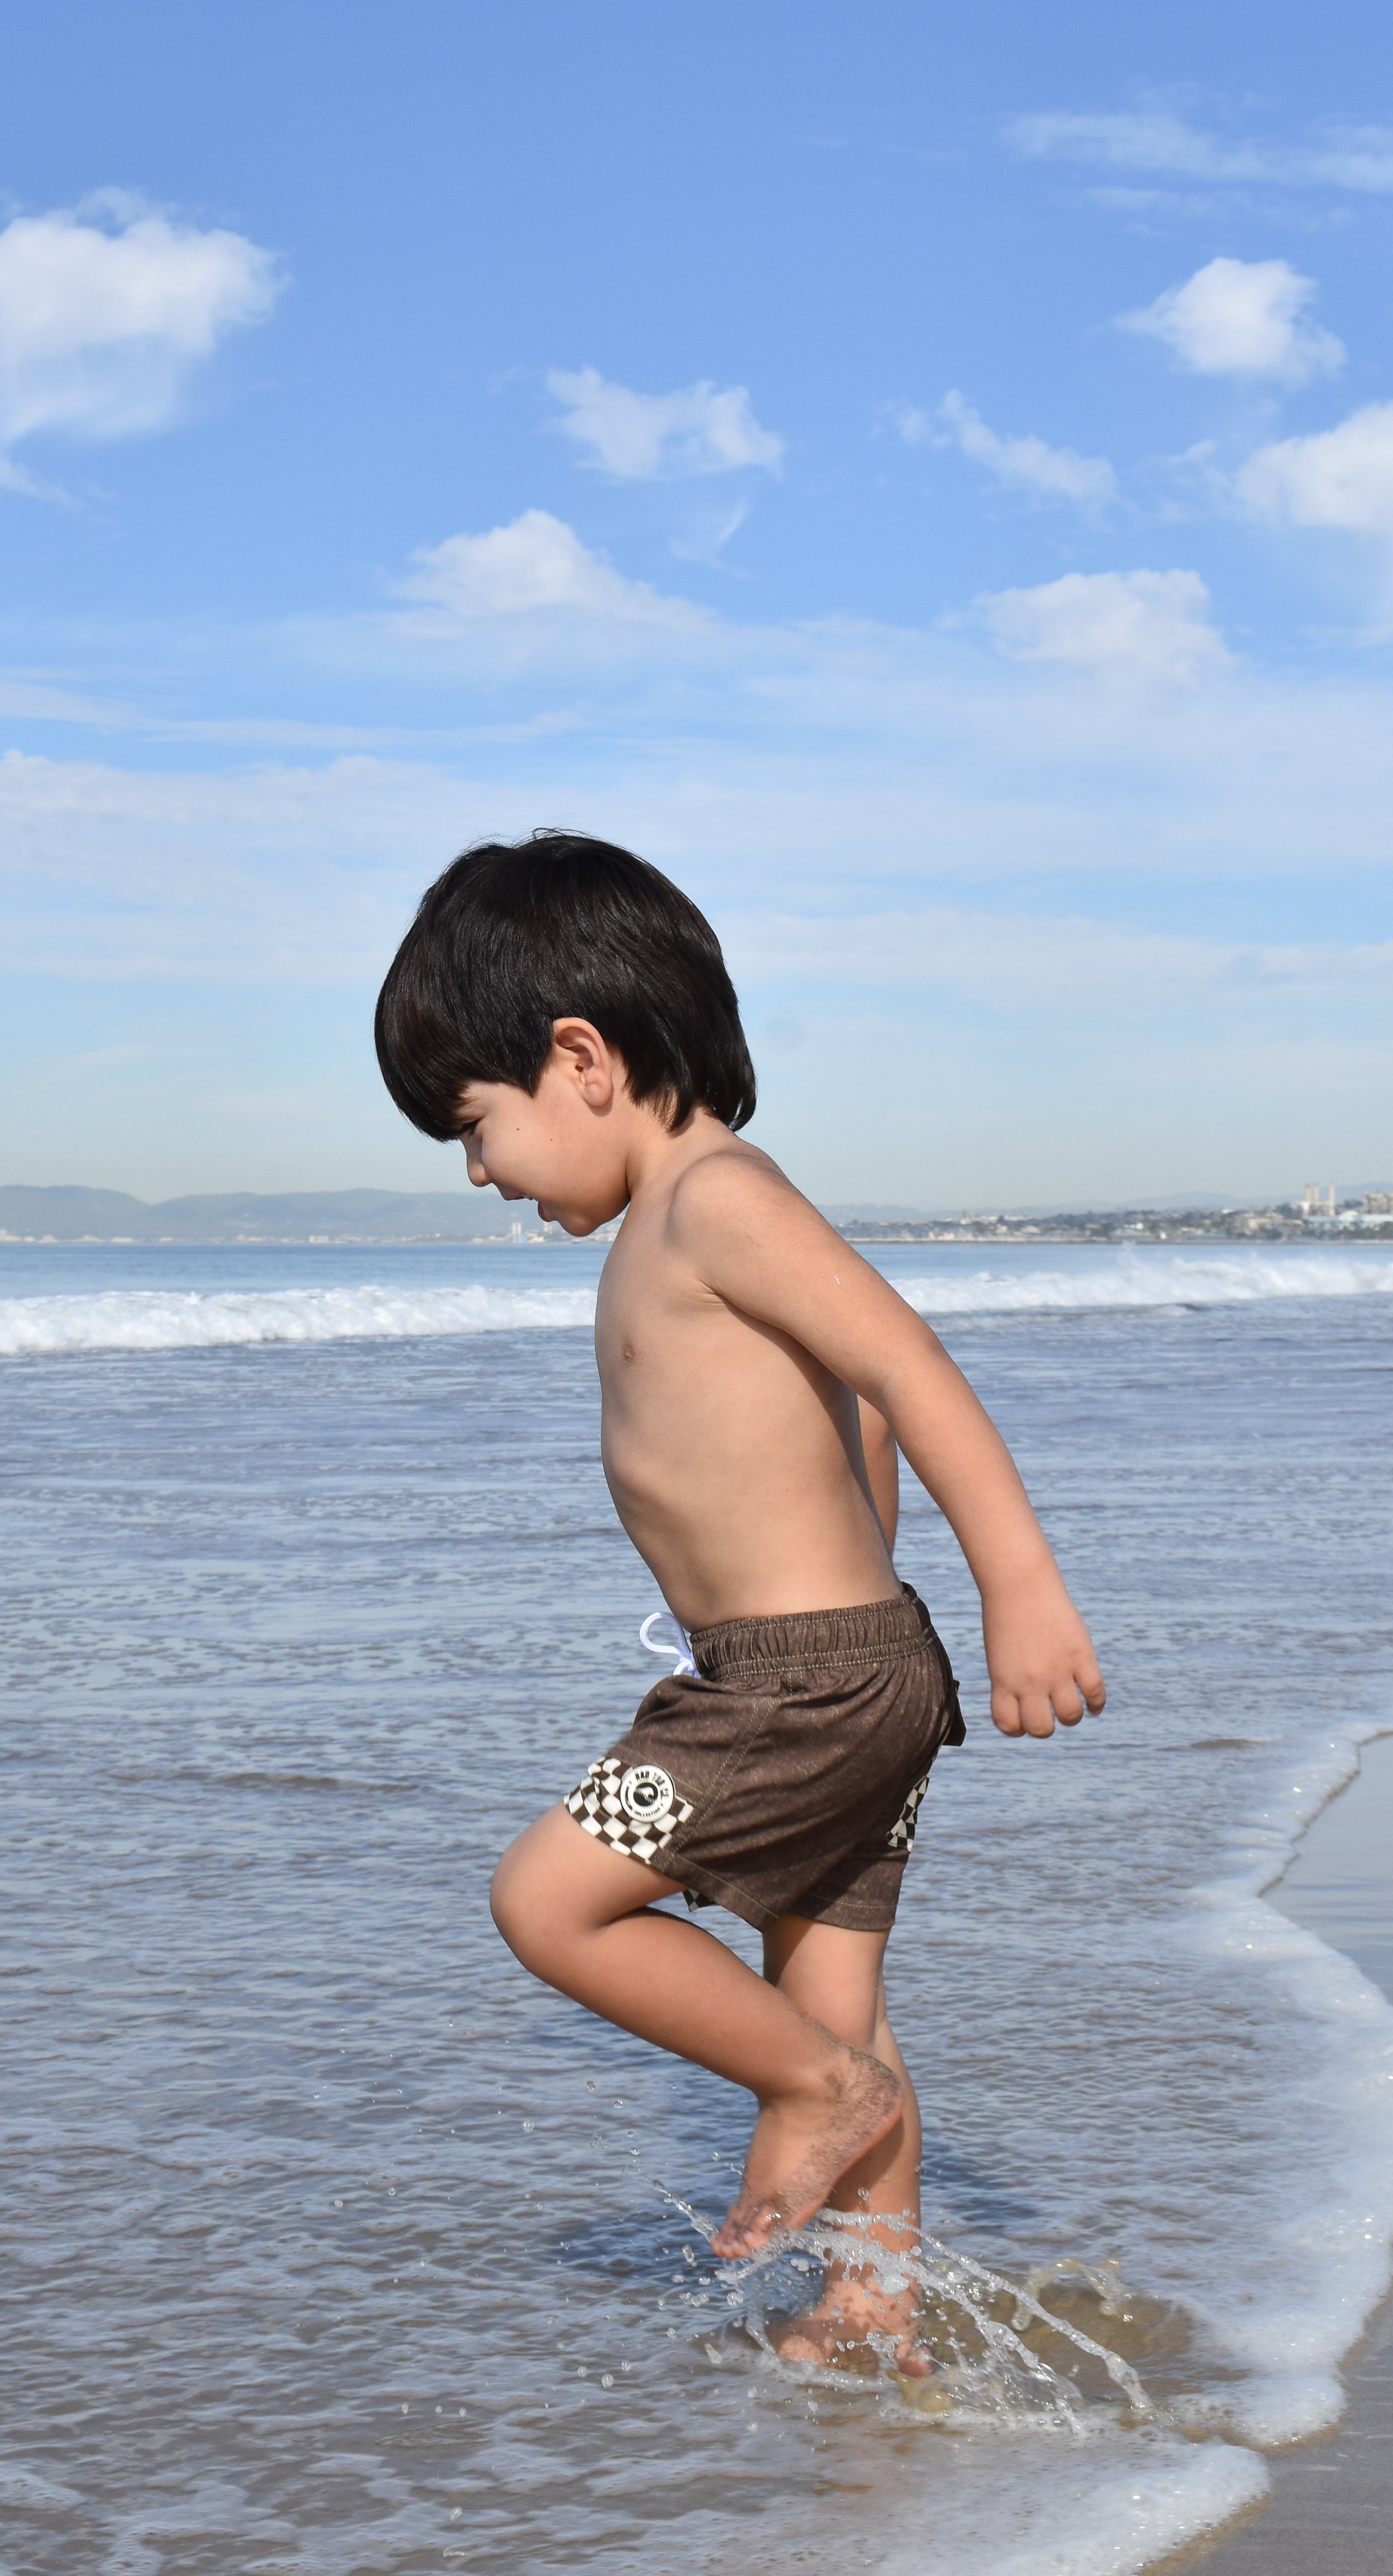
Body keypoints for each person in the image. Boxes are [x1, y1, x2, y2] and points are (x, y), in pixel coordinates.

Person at [373, 831, 1106, 2373]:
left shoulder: (712, 1201)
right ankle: (871, 2309)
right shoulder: (680, 1217)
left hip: (797, 1689)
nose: (480, 1170)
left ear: (579, 1057)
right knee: (828, 1993)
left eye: (473, 1124)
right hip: (844, 1676)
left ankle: (814, 2101)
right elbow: (861, 1414)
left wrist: (1017, 1592)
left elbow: (908, 1362)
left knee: (548, 1901)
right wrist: (889, 1594)